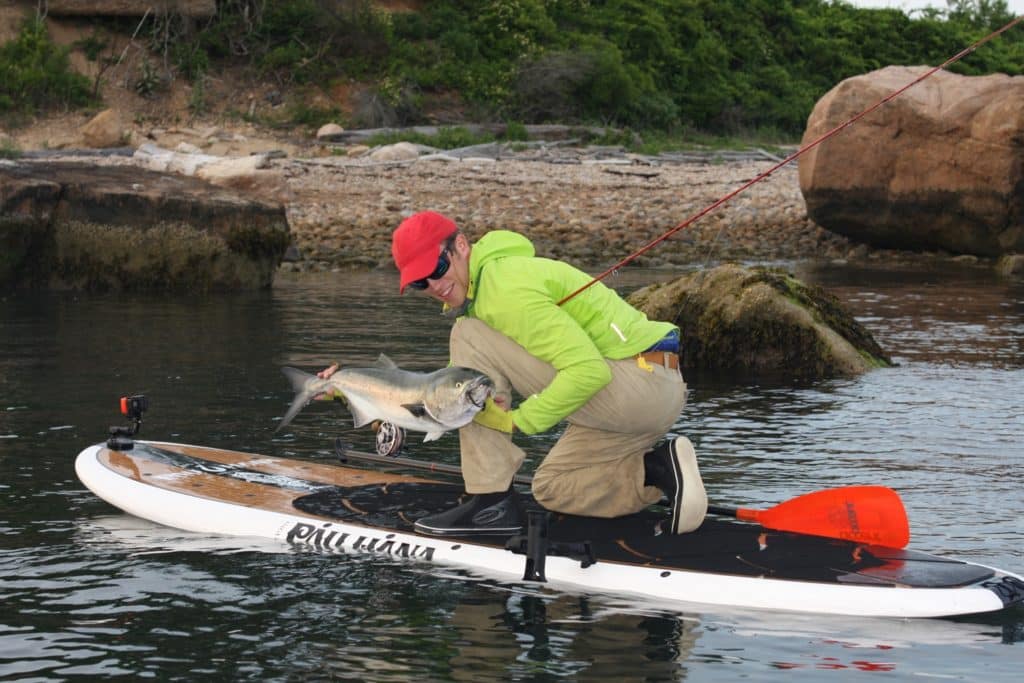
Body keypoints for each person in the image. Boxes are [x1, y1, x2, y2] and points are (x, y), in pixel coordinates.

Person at [323, 210, 707, 537]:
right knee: (553, 488)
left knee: (468, 335)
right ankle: (659, 469)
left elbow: (588, 372)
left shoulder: (501, 288)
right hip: (649, 394)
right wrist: (355, 389)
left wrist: (516, 422)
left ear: (461, 247)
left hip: (635, 385)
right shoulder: (490, 284)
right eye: (420, 282)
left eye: (437, 270)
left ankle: (490, 502)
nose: (435, 286)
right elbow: (443, 400)